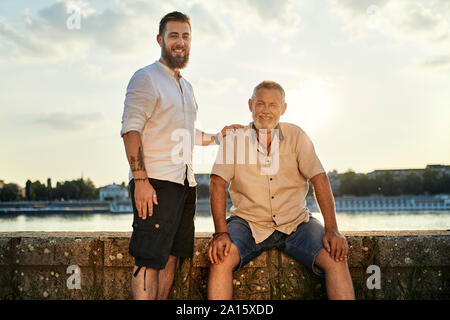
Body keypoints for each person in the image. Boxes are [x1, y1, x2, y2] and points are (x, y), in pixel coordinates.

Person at [120, 11, 242, 300]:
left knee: (172, 257)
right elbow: (130, 130)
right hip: (155, 183)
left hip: (185, 185)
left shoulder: (186, 87)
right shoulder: (145, 78)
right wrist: (141, 180)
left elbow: (186, 134)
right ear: (160, 39)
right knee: (148, 260)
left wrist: (216, 137)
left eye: (186, 36)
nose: (180, 41)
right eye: (174, 35)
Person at [207, 80, 355, 300]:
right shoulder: (234, 140)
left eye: (273, 105)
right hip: (248, 223)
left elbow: (320, 179)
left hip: (295, 222)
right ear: (250, 105)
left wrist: (332, 229)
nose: (266, 110)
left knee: (336, 258)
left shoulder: (297, 136)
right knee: (221, 258)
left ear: (283, 109)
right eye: (260, 104)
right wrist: (221, 233)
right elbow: (217, 184)